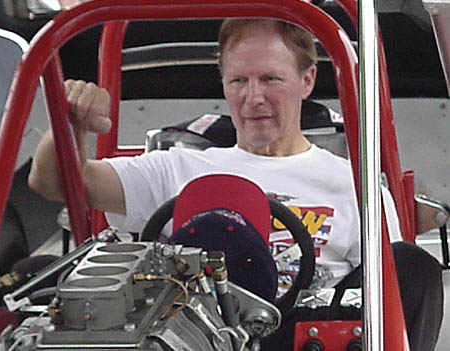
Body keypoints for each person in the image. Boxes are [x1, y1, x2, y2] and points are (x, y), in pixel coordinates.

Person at [28, 18, 442, 350]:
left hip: (305, 333)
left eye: (270, 80)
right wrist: (70, 123)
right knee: (36, 277)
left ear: (307, 80)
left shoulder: (353, 184)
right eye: (239, 81)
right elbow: (55, 184)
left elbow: (397, 286)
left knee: (413, 266)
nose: (253, 97)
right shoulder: (178, 169)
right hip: (196, 332)